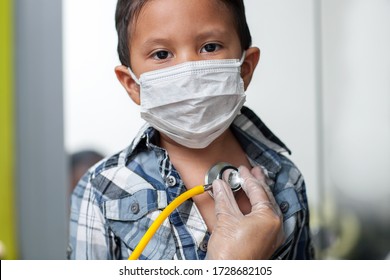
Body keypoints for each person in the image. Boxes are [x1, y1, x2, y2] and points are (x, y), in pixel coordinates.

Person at [68, 0, 314, 260]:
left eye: (210, 47)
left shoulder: (286, 180)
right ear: (132, 84)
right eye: (162, 54)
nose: (188, 70)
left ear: (245, 68)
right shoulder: (101, 191)